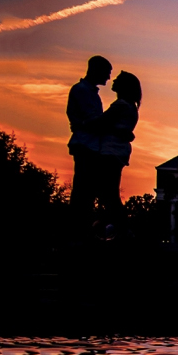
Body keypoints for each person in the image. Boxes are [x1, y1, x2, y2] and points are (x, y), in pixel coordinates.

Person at [67, 56, 113, 232]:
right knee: (82, 190)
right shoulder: (81, 90)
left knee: (87, 191)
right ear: (96, 70)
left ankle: (82, 227)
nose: (108, 78)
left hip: (91, 146)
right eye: (107, 73)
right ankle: (78, 229)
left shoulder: (90, 92)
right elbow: (92, 121)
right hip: (85, 145)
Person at [96, 71, 141, 238]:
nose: (113, 80)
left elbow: (102, 123)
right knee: (109, 191)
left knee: (108, 192)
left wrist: (83, 123)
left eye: (118, 80)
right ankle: (115, 225)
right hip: (118, 152)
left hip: (111, 151)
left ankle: (120, 227)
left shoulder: (121, 105)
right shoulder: (130, 107)